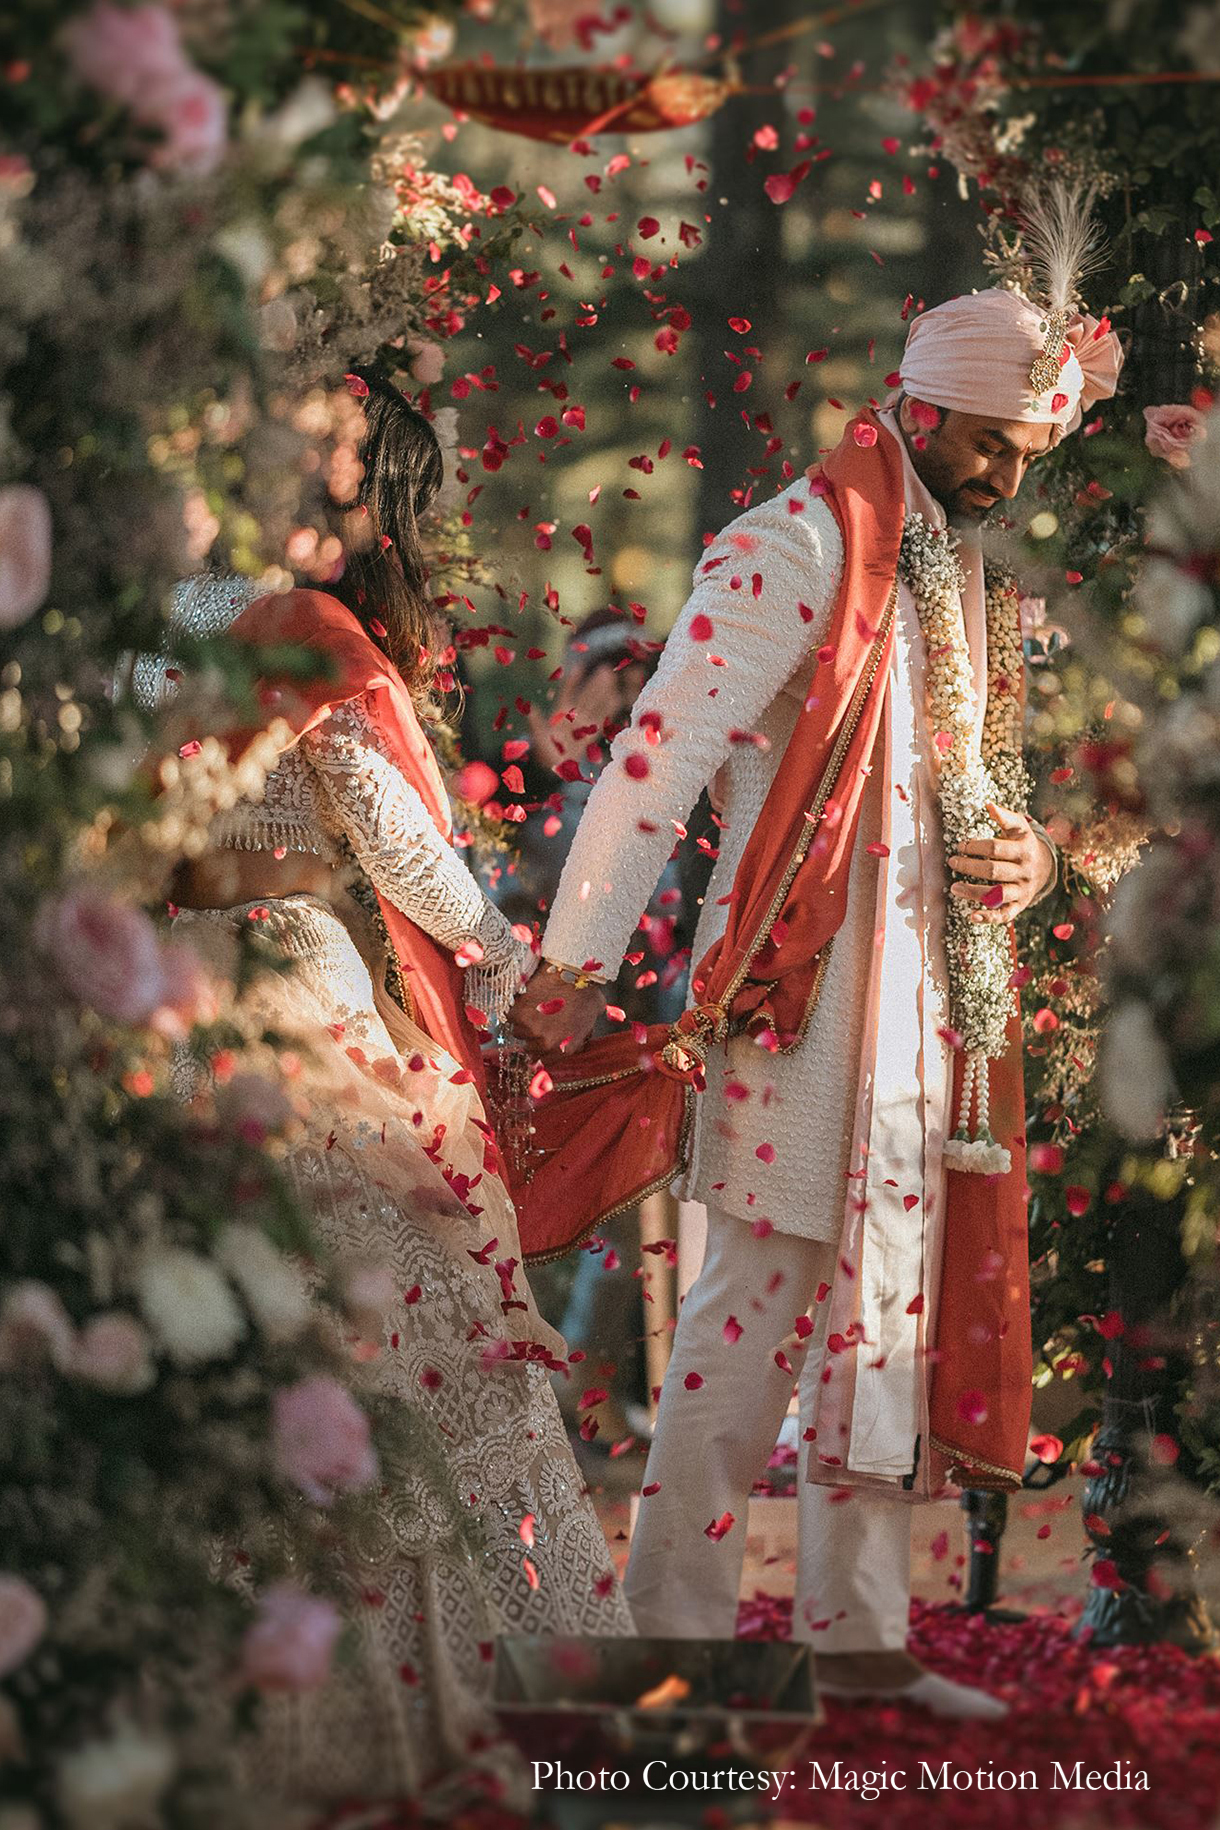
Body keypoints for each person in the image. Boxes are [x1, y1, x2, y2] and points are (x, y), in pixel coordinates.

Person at [511, 195, 1124, 1717]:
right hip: (799, 1007)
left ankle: (860, 1638)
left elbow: (972, 799)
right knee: (748, 1316)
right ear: (914, 405)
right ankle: (679, 1636)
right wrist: (576, 963)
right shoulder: (793, 547)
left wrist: (1031, 860)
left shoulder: (955, 579)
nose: (1006, 471)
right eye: (990, 439)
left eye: (1028, 451)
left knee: (888, 1319)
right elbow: (654, 765)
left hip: (929, 1020)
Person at [144, 372, 631, 1807]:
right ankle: (453, 1701)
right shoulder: (302, 632)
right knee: (419, 1357)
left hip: (153, 1005)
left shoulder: (149, 621)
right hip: (290, 1004)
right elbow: (399, 845)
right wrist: (504, 957)